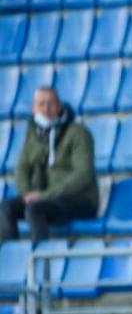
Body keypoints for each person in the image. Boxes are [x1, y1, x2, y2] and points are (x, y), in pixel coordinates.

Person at [2, 86, 99, 246]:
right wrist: (27, 193)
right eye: (41, 104)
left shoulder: (79, 133)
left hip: (78, 201)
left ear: (60, 106)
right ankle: (10, 261)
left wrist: (45, 195)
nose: (46, 109)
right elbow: (22, 168)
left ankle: (43, 264)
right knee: (6, 207)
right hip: (47, 200)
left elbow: (84, 174)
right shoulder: (34, 134)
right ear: (33, 109)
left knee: (35, 210)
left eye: (51, 104)